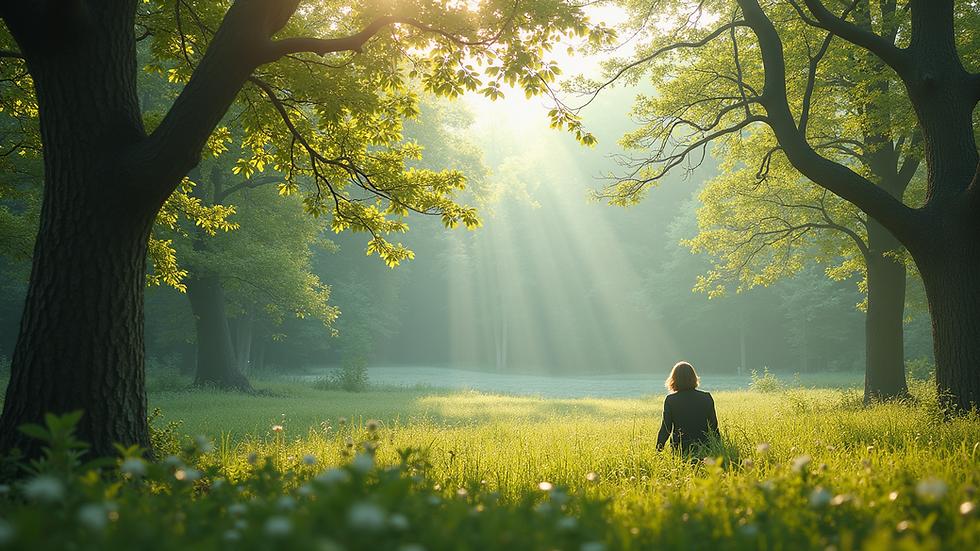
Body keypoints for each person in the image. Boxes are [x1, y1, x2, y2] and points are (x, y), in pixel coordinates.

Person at [656, 361, 720, 451]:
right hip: (704, 447)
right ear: (693, 378)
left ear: (674, 379)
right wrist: (719, 448)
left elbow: (666, 428)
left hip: (680, 448)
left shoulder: (671, 400)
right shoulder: (706, 397)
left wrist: (658, 449)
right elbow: (714, 426)